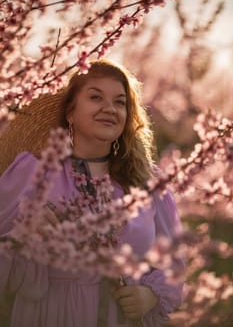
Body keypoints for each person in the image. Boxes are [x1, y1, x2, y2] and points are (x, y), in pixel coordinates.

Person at [0, 58, 184, 327]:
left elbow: (173, 261)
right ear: (70, 112)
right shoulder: (33, 173)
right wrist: (25, 234)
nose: (110, 109)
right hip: (51, 315)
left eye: (120, 102)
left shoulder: (148, 182)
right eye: (96, 97)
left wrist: (151, 295)